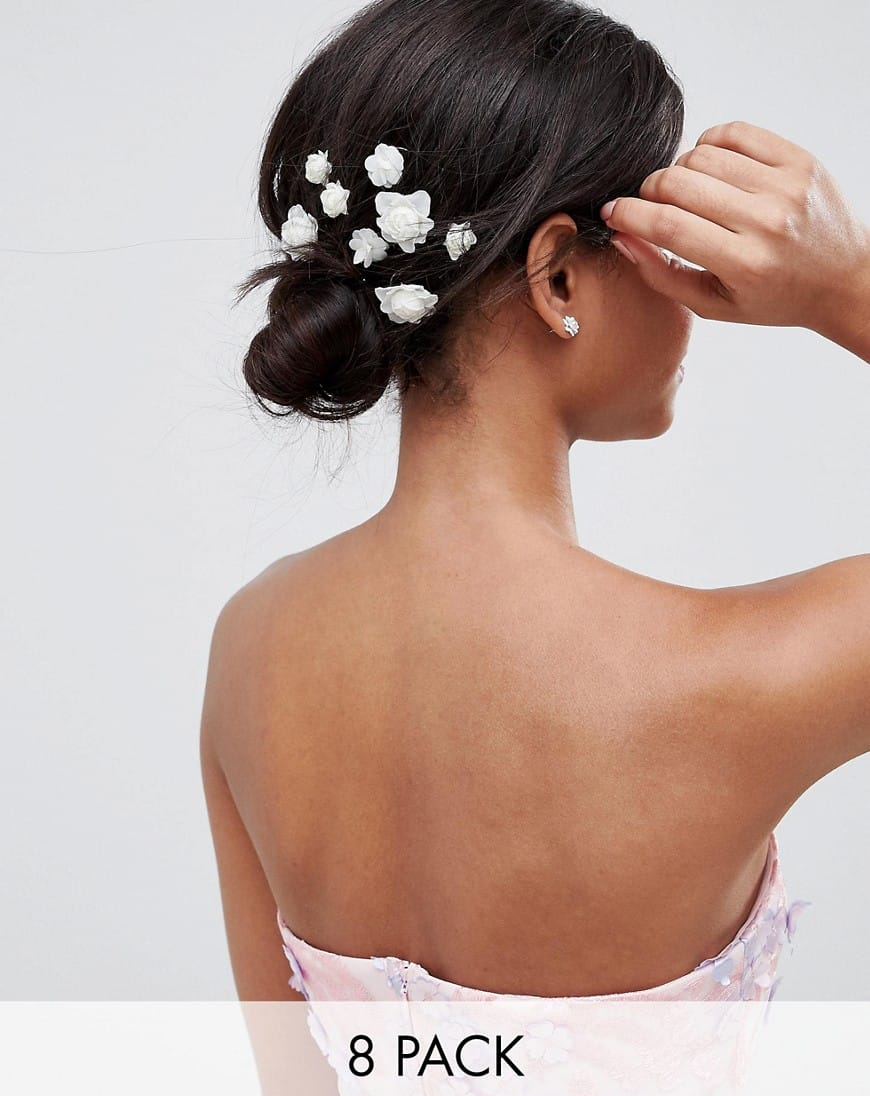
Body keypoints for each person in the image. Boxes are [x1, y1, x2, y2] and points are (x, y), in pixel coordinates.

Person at [200, 0, 869, 1014]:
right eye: (669, 240)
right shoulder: (743, 673)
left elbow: (294, 1081)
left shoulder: (251, 644)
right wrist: (847, 288)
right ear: (558, 275)